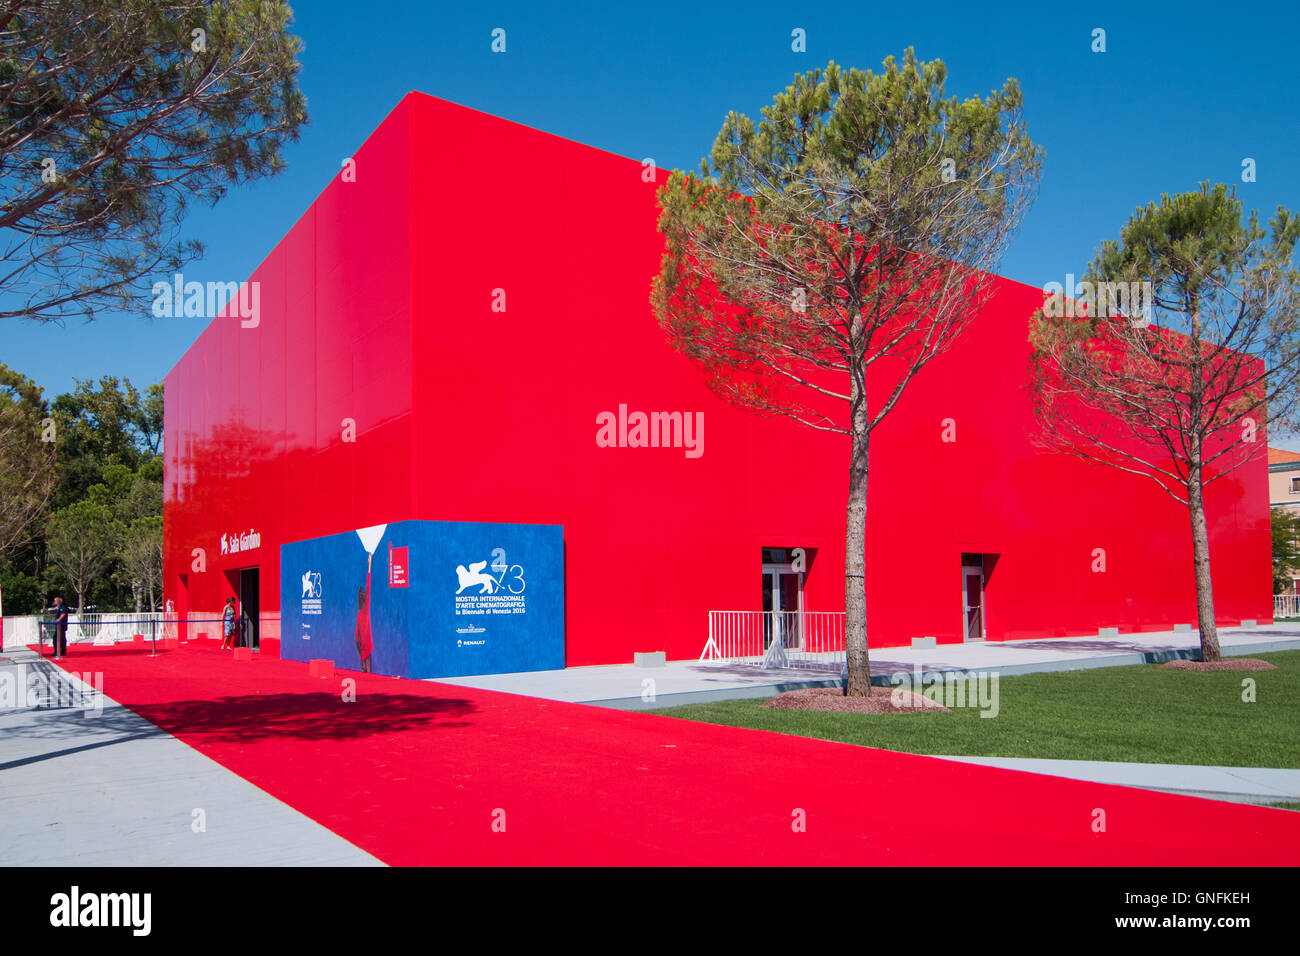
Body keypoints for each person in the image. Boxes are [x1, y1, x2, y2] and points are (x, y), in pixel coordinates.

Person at [355, 553, 373, 673]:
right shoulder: (366, 609)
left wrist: (359, 649)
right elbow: (369, 585)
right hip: (368, 648)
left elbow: (356, 637)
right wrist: (369, 566)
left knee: (363, 674)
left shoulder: (359, 613)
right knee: (369, 675)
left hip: (362, 650)